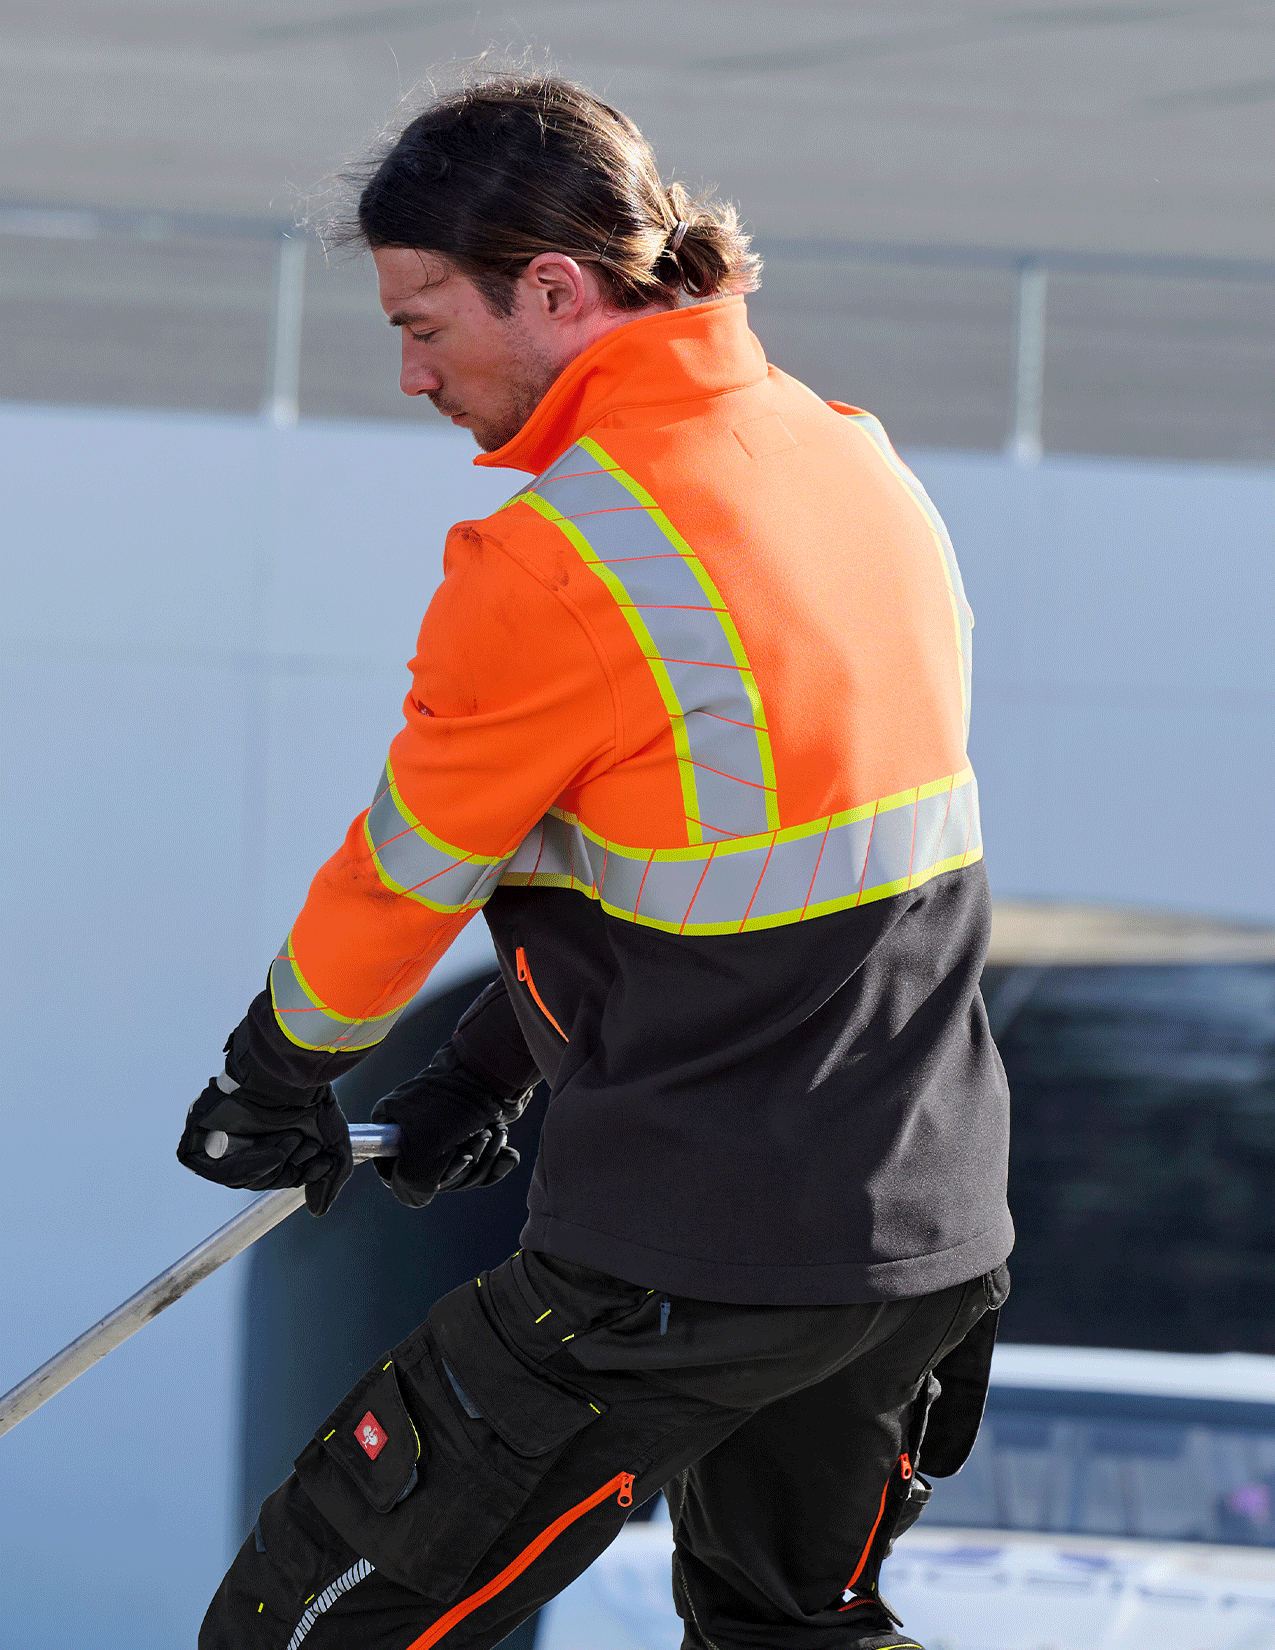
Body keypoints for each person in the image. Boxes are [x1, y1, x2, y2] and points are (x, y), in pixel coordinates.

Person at [181, 73, 1012, 1650]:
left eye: (425, 322)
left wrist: (274, 1071)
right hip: (919, 1242)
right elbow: (748, 871)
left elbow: (410, 862)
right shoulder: (842, 458)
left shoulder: (560, 553)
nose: (410, 372)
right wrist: (491, 1058)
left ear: (552, 290)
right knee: (793, 1632)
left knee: (301, 1624)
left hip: (681, 1259)